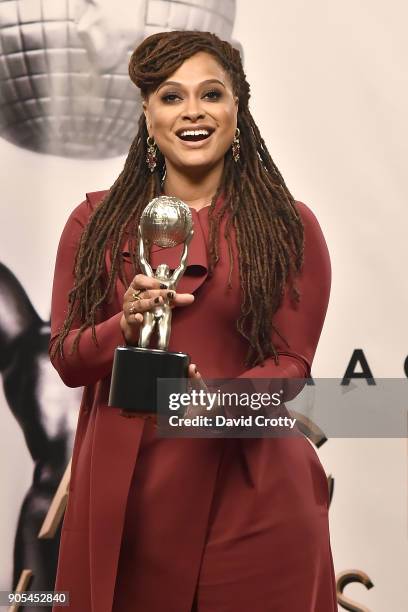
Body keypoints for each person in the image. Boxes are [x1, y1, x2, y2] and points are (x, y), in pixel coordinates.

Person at [49, 30, 336, 612]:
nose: (193, 112)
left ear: (238, 108)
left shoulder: (286, 225)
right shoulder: (95, 223)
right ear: (147, 113)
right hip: (128, 489)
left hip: (250, 485)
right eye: (171, 97)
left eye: (212, 94)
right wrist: (121, 326)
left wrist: (216, 404)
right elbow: (67, 358)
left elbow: (291, 366)